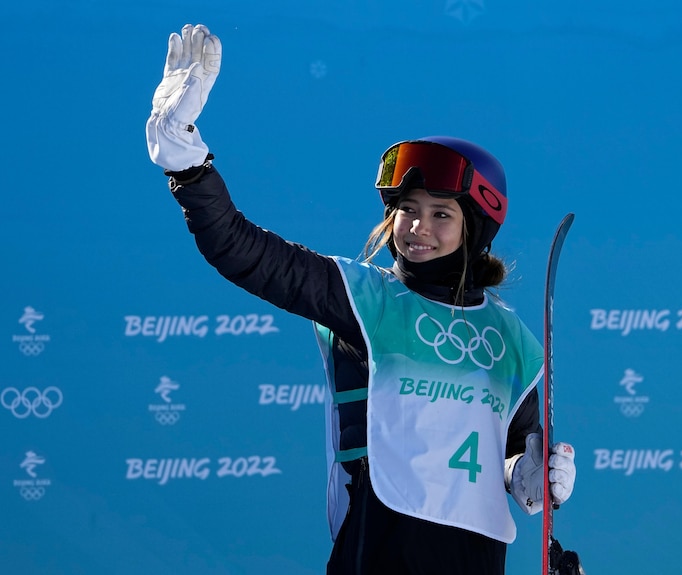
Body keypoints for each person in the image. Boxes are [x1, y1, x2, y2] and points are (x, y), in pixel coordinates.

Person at [146, 23, 577, 575]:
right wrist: (186, 162)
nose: (418, 226)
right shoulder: (361, 295)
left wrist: (532, 477)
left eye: (441, 214)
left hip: (474, 554)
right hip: (378, 541)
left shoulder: (512, 338)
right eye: (407, 210)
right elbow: (240, 249)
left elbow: (516, 450)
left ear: (475, 228)